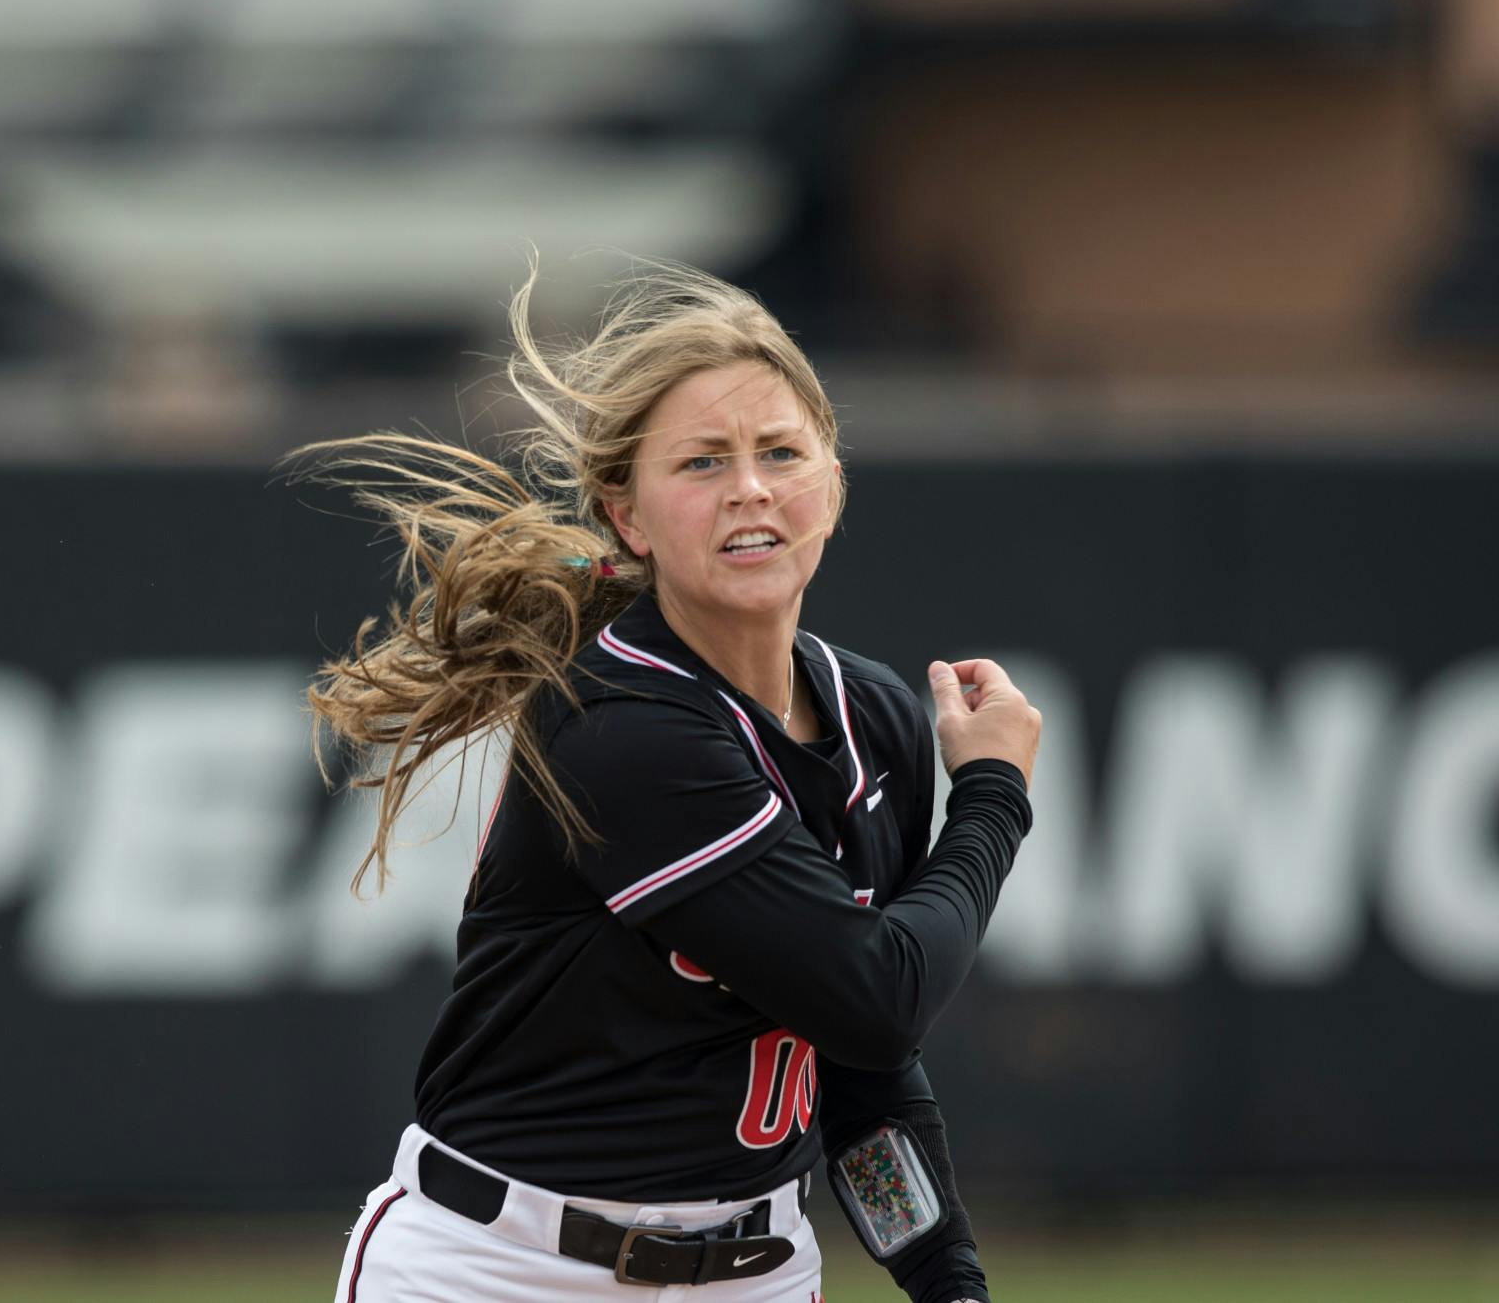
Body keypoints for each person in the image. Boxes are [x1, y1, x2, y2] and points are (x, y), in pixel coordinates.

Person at [301, 264, 1041, 1303]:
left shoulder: (872, 717)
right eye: (701, 462)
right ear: (629, 518)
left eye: (780, 452)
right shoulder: (624, 726)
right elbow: (877, 996)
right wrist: (994, 797)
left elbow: (866, 1071)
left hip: (756, 1270)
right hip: (503, 1268)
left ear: (830, 483)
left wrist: (942, 1275)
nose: (749, 487)